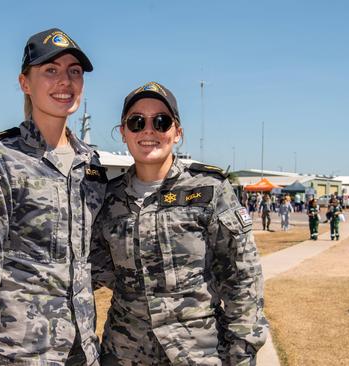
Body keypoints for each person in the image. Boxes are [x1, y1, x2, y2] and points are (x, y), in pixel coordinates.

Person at [0, 28, 106, 366]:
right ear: (25, 82)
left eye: (74, 72)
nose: (65, 81)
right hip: (20, 352)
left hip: (83, 350)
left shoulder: (91, 164)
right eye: (50, 70)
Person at [90, 82, 268, 365]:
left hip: (198, 353)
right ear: (123, 132)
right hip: (125, 353)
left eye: (161, 121)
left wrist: (243, 351)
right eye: (136, 122)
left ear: (177, 132)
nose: (149, 130)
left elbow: (242, 277)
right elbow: (95, 269)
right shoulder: (107, 198)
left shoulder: (209, 189)